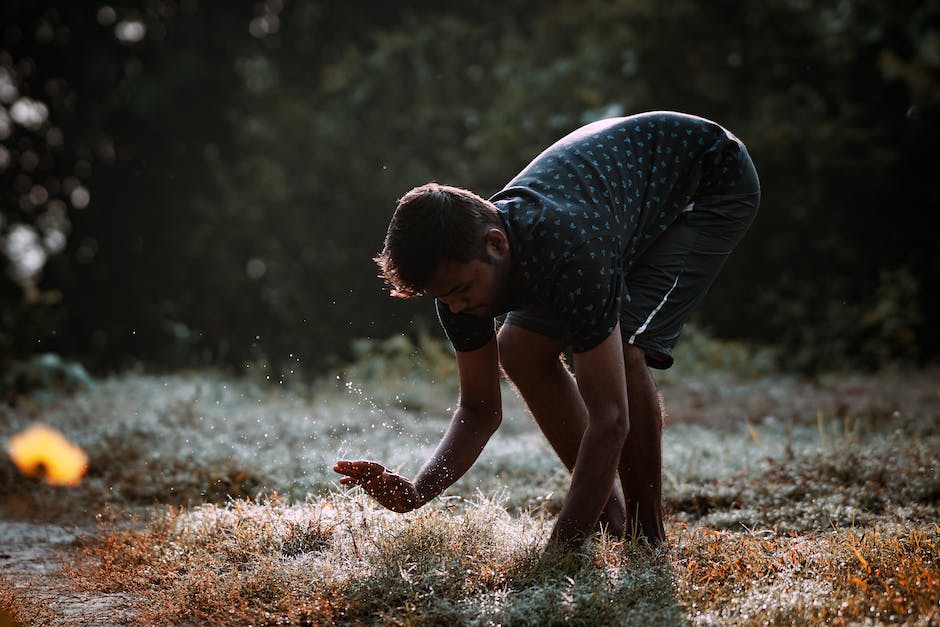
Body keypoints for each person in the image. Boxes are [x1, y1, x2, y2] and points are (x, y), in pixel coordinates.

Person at [334, 110, 760, 550]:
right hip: (613, 210)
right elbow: (480, 411)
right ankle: (607, 521)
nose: (458, 307)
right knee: (518, 351)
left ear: (496, 244)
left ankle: (644, 539)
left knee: (627, 346)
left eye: (461, 289)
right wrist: (416, 493)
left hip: (708, 180)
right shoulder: (460, 291)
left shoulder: (570, 249)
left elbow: (610, 419)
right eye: (443, 297)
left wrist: (560, 550)